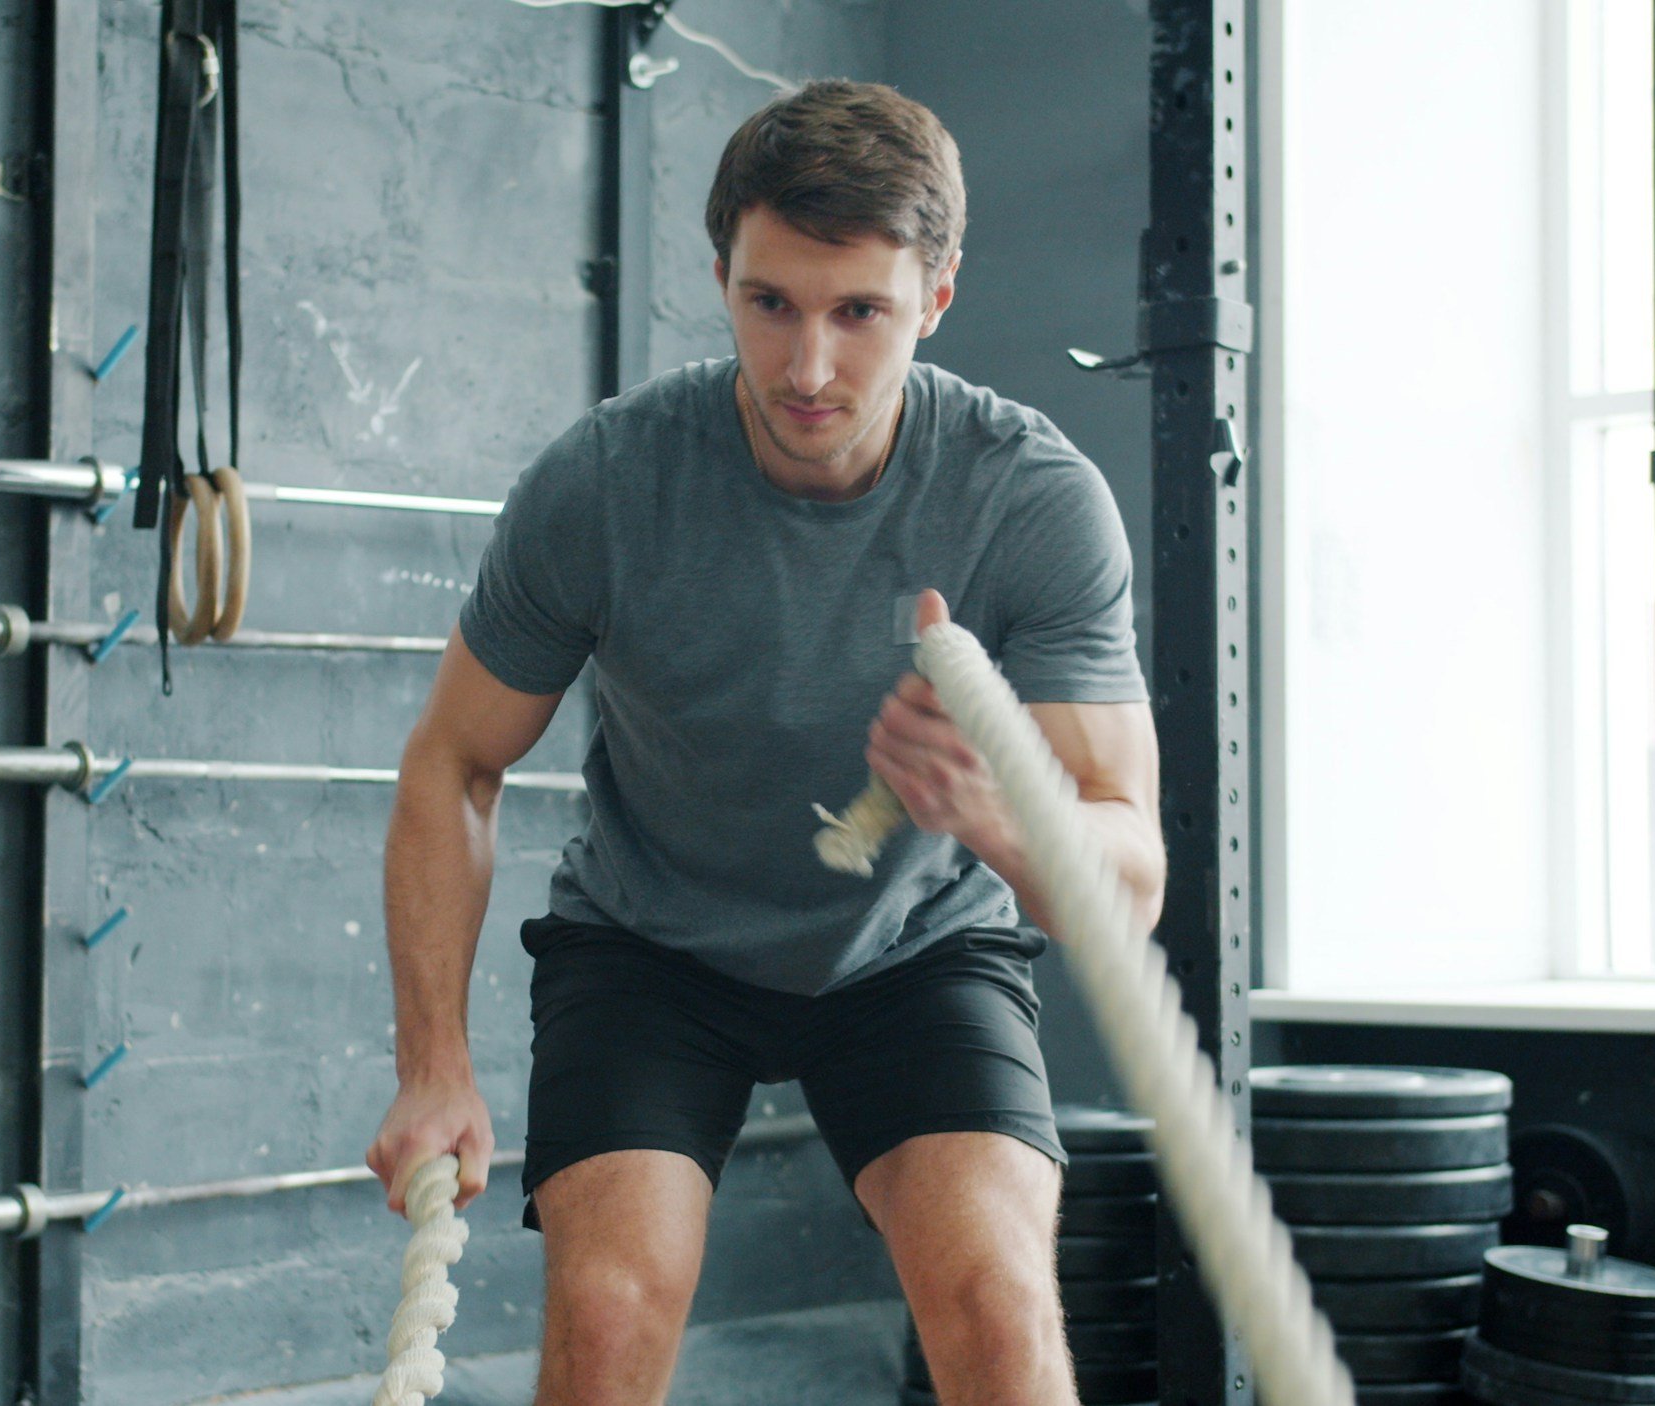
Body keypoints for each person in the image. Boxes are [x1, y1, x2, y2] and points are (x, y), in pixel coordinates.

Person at [365, 78, 1166, 1406]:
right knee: (611, 1317)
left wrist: (998, 812)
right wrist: (433, 1065)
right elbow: (454, 762)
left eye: (862, 313)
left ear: (938, 297)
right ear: (724, 274)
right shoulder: (606, 484)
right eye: (771, 303)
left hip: (915, 945)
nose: (808, 368)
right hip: (651, 950)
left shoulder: (1029, 500)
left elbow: (1123, 882)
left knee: (1002, 1314)